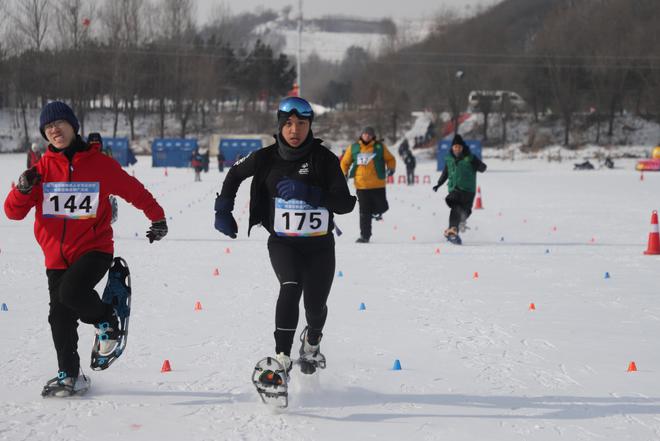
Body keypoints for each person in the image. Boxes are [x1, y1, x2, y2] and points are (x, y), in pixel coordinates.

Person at [3, 101, 168, 396]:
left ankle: (107, 317)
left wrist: (157, 217)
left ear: (72, 126)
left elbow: (133, 190)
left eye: (60, 124)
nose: (54, 130)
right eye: (48, 127)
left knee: (70, 293)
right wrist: (22, 189)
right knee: (59, 316)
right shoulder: (40, 171)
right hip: (55, 256)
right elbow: (12, 213)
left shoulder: (99, 164)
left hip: (94, 249)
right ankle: (70, 375)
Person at [213, 97, 356, 382]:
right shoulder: (265, 157)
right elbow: (234, 173)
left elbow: (345, 204)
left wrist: (310, 194)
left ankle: (312, 341)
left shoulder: (324, 159)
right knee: (290, 286)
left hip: (319, 248)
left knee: (315, 307)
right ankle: (281, 359)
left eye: (301, 124)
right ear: (279, 126)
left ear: (309, 126)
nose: (294, 130)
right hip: (283, 243)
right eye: (288, 124)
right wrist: (223, 210)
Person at [340, 126, 396, 243]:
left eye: (370, 135)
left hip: (378, 184)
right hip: (361, 186)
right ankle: (365, 236)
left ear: (373, 136)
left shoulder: (379, 147)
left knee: (383, 207)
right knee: (364, 212)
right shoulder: (354, 147)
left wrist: (391, 168)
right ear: (361, 135)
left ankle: (376, 213)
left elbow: (390, 159)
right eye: (365, 134)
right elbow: (345, 162)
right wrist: (344, 173)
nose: (367, 136)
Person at [432, 134, 486, 244]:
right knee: (455, 206)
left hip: (468, 190)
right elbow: (445, 173)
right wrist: (439, 184)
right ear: (452, 147)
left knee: (466, 211)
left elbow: (483, 168)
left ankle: (457, 226)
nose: (457, 149)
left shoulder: (470, 157)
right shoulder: (449, 159)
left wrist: (475, 162)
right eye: (455, 147)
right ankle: (453, 229)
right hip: (454, 189)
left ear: (463, 148)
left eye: (459, 147)